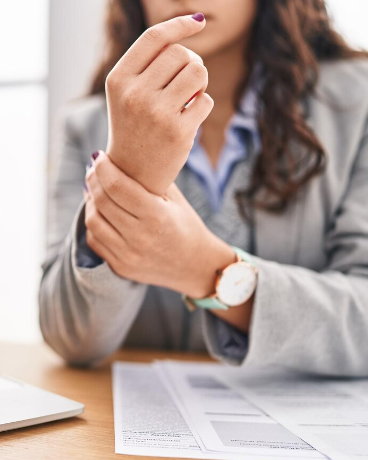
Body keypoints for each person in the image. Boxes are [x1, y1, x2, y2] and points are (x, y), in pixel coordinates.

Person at [39, 0, 368, 376]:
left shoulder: (357, 102)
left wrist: (203, 269)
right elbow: (69, 337)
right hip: (129, 408)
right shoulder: (84, 126)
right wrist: (131, 172)